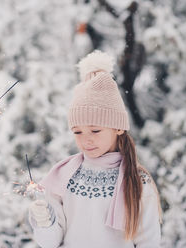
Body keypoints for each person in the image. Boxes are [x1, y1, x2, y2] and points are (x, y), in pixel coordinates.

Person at [28, 51, 162, 247]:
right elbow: (50, 243)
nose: (86, 140)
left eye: (95, 130)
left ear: (117, 127)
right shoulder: (64, 176)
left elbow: (148, 242)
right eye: (78, 132)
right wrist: (45, 223)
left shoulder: (137, 181)